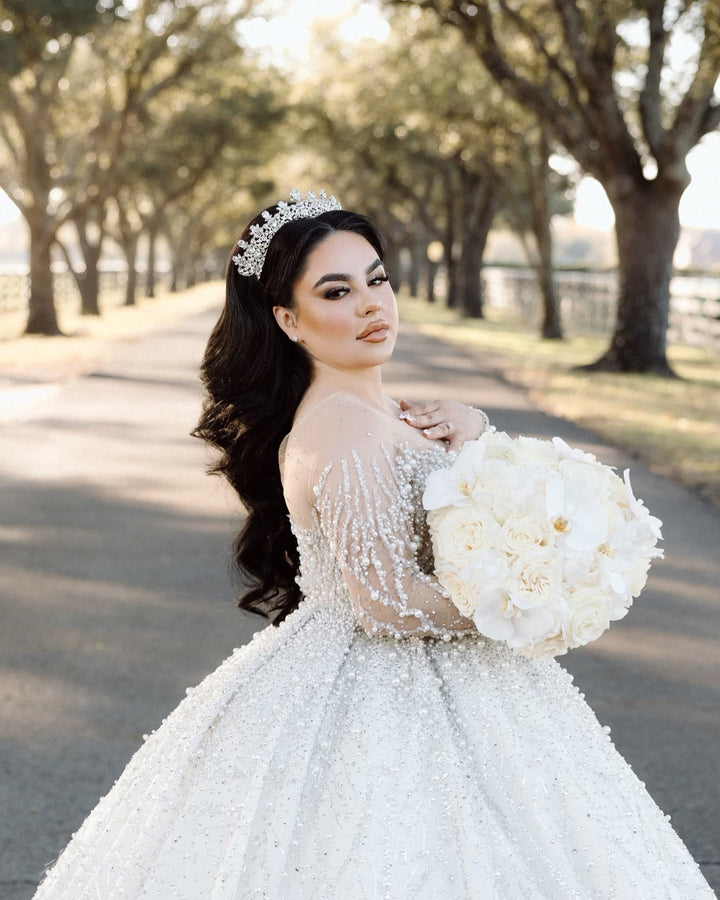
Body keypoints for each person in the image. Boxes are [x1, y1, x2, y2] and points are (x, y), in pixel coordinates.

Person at [34, 190, 714, 899]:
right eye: (337, 290)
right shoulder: (341, 426)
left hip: (458, 672)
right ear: (288, 319)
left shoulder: (385, 412)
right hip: (376, 681)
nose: (370, 305)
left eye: (376, 279)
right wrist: (525, 601)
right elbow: (386, 602)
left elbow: (457, 514)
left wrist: (478, 434)